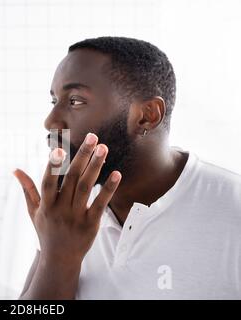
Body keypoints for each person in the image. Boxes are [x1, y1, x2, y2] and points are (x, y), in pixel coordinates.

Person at [13, 37, 241, 299]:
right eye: (55, 101)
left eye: (75, 100)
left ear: (147, 115)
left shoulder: (233, 209)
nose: (51, 121)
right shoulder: (61, 212)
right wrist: (57, 257)